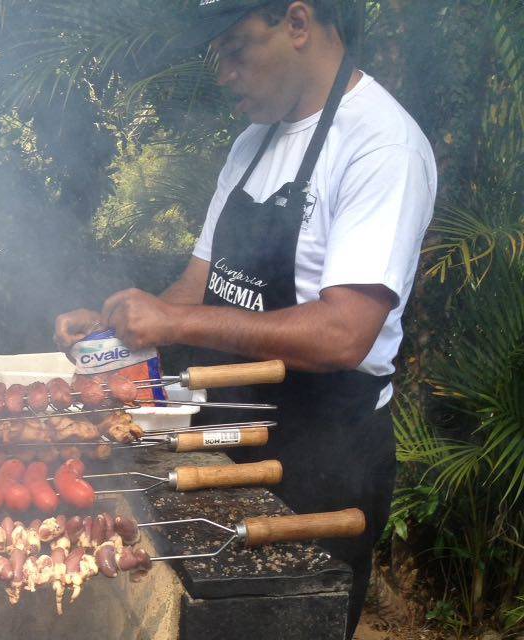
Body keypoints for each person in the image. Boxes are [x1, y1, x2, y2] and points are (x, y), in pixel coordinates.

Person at [54, 1, 437, 637]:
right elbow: (199, 285)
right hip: (223, 437)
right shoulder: (252, 144)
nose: (223, 75)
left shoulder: (381, 145)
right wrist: (112, 326)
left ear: (296, 23)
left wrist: (177, 326)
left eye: (235, 50)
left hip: (321, 454)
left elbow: (345, 333)